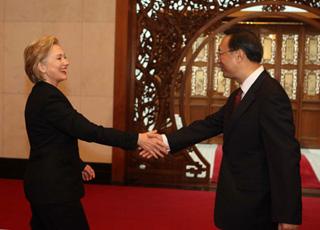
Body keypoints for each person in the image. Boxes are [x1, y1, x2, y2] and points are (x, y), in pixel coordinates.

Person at [141, 28, 302, 230]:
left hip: (257, 208)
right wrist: (164, 142)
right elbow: (210, 125)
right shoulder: (241, 93)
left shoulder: (270, 95)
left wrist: (288, 214)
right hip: (239, 203)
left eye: (221, 53)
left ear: (239, 55)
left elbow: (285, 155)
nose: (218, 60)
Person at [23, 35, 167, 230]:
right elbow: (89, 131)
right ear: (41, 66)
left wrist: (77, 163)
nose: (67, 62)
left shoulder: (43, 94)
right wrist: (137, 139)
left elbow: (53, 139)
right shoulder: (48, 98)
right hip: (53, 190)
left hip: (45, 185)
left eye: (65, 57)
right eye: (59, 58)